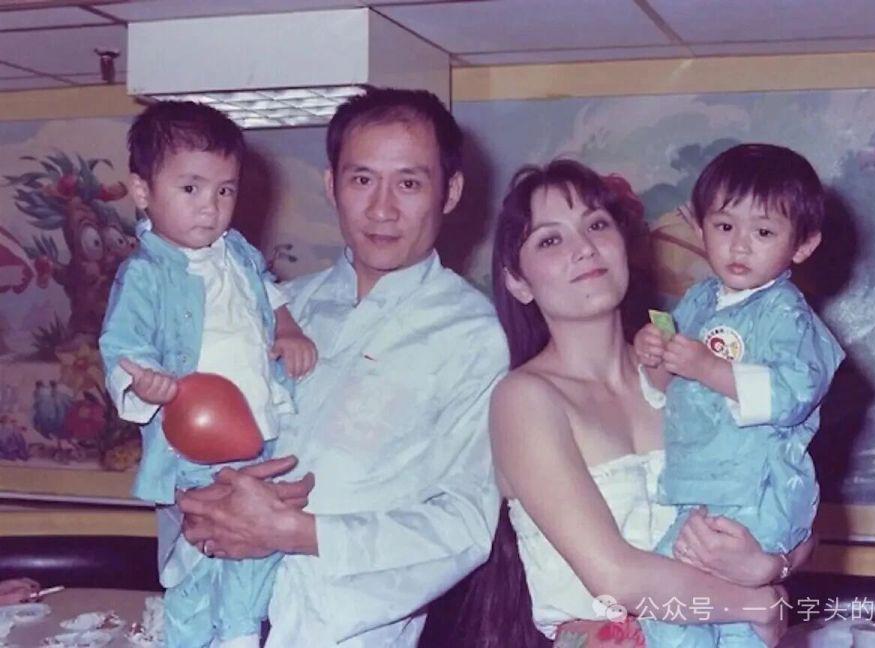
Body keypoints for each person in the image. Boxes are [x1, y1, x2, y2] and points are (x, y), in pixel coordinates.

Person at [176, 87, 509, 647]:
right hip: (209, 614)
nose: (382, 209)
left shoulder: (472, 336)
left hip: (339, 631)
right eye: (362, 180)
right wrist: (200, 507)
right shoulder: (274, 309)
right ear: (331, 185)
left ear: (450, 192)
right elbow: (189, 443)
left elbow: (465, 524)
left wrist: (295, 532)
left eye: (409, 183)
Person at [463, 159, 813, 648]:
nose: (584, 248)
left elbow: (788, 490)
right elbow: (615, 576)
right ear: (517, 281)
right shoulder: (525, 399)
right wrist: (755, 603)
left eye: (597, 225)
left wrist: (772, 564)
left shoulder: (690, 363)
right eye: (550, 240)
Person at [99, 101, 317, 648]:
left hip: (262, 434)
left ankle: (239, 632)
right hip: (195, 451)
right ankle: (192, 631)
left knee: (258, 547)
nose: (210, 207)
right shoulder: (146, 275)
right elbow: (121, 346)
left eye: (225, 190)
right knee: (204, 551)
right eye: (191, 188)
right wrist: (143, 381)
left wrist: (289, 330)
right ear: (143, 191)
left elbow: (270, 296)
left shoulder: (238, 251)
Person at [634, 143, 844, 646]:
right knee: (672, 610)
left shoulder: (786, 313)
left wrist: (709, 368)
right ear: (700, 226)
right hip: (701, 490)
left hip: (756, 493)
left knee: (718, 617)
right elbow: (667, 388)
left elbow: (794, 392)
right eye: (725, 226)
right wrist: (654, 355)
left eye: (764, 232)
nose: (740, 246)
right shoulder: (700, 300)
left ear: (802, 244)